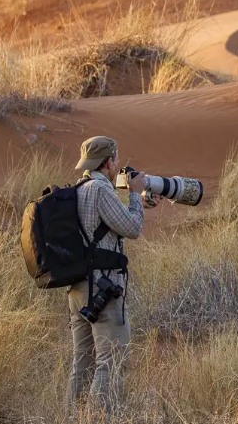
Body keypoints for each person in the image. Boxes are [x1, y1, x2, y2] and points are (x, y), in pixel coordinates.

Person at [67, 136, 154, 416]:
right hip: (102, 288)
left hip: (78, 288)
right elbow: (132, 228)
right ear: (108, 162)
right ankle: (101, 418)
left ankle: (72, 418)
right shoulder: (101, 191)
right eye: (116, 160)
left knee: (83, 362)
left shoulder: (79, 189)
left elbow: (109, 224)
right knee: (112, 360)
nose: (118, 165)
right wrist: (135, 194)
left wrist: (136, 201)